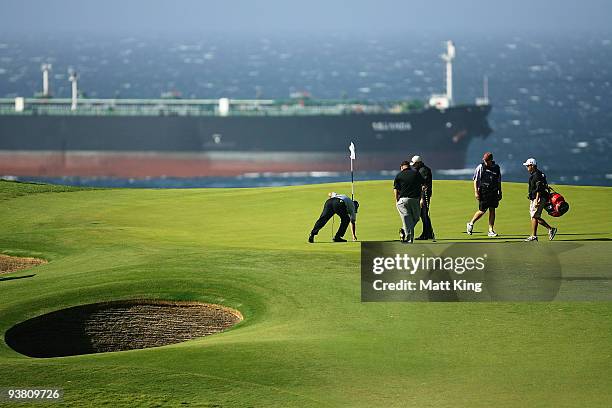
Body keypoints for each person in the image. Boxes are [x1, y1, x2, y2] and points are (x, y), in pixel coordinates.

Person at [466, 152, 502, 237]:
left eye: (487, 160)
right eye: (484, 160)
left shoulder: (496, 168)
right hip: (484, 191)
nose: (485, 162)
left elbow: (498, 180)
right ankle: (471, 223)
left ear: (491, 160)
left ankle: (491, 230)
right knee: (482, 210)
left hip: (493, 191)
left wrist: (500, 192)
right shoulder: (481, 167)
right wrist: (476, 192)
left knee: (492, 210)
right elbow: (475, 180)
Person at [523, 158, 557, 241]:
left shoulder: (537, 175)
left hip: (539, 198)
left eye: (528, 166)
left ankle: (545, 231)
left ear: (532, 165)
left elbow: (539, 188)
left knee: (535, 216)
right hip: (537, 197)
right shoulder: (538, 174)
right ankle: (538, 234)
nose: (527, 167)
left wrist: (537, 200)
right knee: (534, 216)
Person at [394, 160, 425, 243]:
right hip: (415, 200)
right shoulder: (416, 173)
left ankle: (404, 231)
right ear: (409, 166)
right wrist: (422, 198)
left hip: (403, 201)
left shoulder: (398, 175)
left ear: (402, 167)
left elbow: (396, 189)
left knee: (407, 220)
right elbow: (423, 186)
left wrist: (396, 200)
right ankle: (408, 240)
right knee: (416, 218)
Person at [410, 155, 434, 240]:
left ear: (419, 163)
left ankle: (426, 234)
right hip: (422, 195)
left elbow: (424, 186)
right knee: (424, 215)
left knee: (424, 215)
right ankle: (428, 233)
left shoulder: (423, 170)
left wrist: (422, 198)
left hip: (424, 195)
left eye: (414, 164)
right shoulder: (421, 169)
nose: (413, 166)